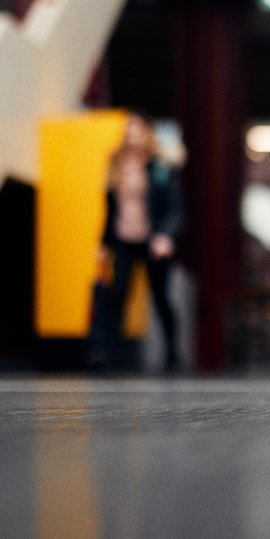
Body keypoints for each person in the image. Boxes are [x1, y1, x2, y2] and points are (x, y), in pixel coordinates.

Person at [89, 113, 185, 371]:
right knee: (117, 295)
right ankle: (113, 354)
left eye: (137, 131)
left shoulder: (159, 166)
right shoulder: (116, 164)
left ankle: (173, 355)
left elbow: (174, 208)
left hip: (152, 241)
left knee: (160, 298)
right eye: (128, 131)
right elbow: (110, 209)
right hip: (123, 239)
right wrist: (104, 243)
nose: (132, 136)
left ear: (146, 134)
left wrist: (165, 235)